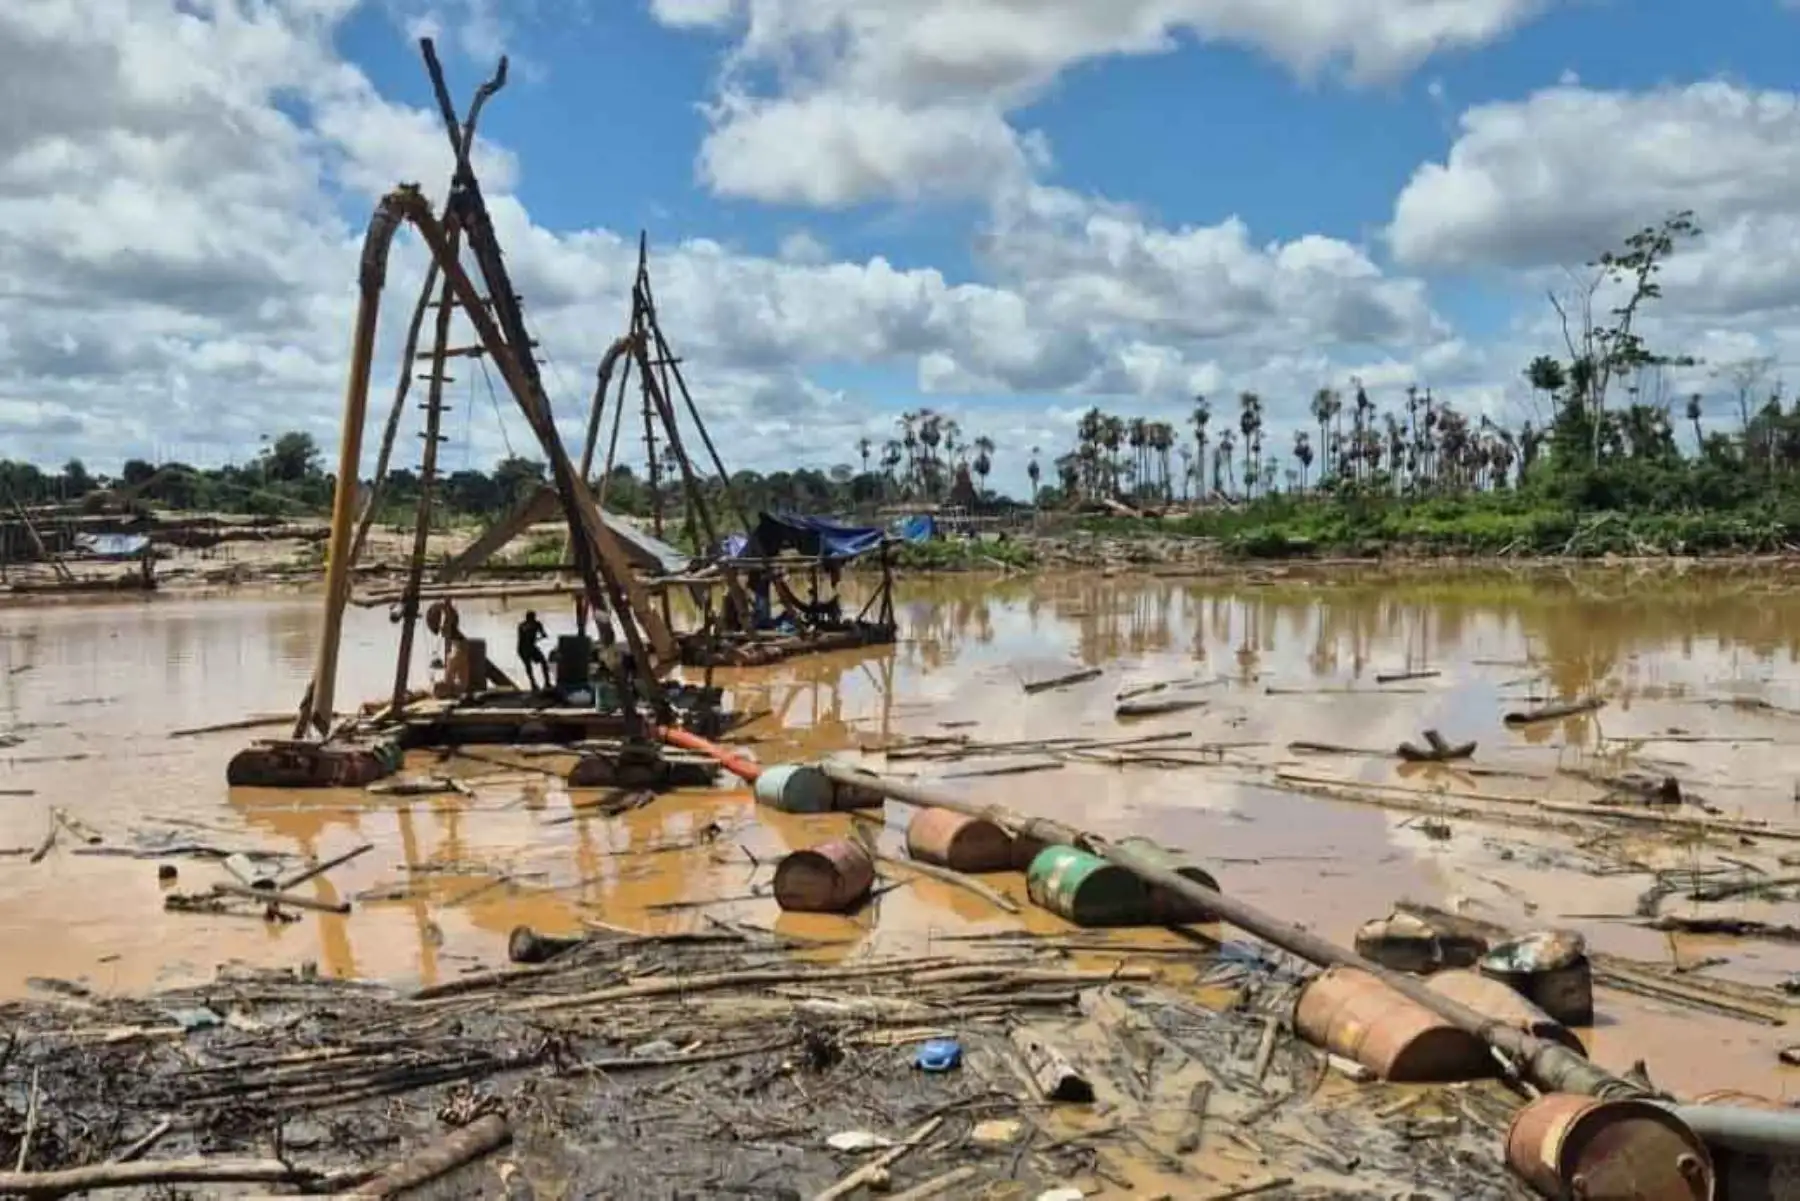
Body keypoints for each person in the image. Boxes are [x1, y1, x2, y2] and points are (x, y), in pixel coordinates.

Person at [517, 610, 549, 690]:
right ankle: (533, 684)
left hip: (531, 647)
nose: (531, 621)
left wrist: (542, 635)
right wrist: (541, 636)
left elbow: (543, 634)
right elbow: (523, 639)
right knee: (528, 666)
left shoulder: (537, 624)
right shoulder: (522, 626)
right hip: (523, 648)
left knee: (543, 661)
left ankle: (547, 683)